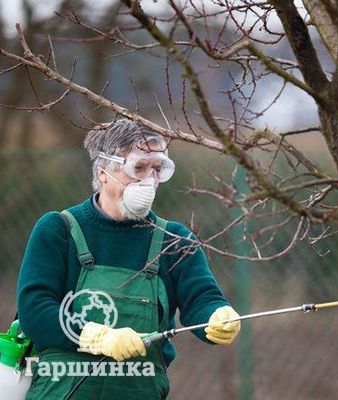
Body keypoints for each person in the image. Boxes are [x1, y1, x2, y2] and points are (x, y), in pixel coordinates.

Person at [17, 118, 241, 399]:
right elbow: (34, 310)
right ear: (103, 172)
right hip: (62, 390)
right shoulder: (58, 230)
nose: (149, 180)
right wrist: (96, 337)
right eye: (138, 168)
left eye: (157, 169)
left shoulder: (174, 239)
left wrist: (217, 315)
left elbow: (201, 299)